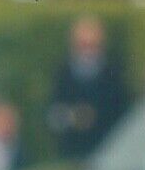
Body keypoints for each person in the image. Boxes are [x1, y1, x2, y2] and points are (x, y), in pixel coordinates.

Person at [46, 15, 130, 161]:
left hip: (106, 148)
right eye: (83, 45)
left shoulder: (113, 72)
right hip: (71, 149)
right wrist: (72, 117)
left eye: (92, 45)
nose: (87, 51)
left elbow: (121, 110)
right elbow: (54, 111)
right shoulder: (63, 73)